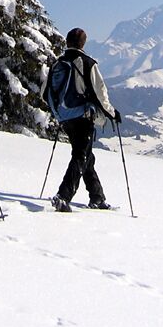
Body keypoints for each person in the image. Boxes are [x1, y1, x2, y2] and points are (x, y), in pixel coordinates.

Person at [43, 27, 121, 212]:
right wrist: (112, 112)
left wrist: (59, 111)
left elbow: (45, 92)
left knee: (86, 156)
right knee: (81, 156)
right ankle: (64, 196)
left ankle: (97, 197)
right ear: (83, 43)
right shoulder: (87, 63)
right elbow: (100, 92)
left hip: (65, 118)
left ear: (67, 42)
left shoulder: (57, 64)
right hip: (83, 117)